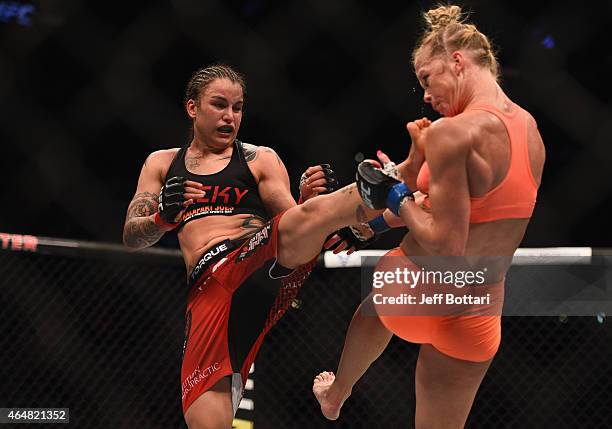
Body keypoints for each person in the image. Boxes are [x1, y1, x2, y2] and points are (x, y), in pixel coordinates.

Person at [122, 64, 393, 429]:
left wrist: (313, 205)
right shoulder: (162, 163)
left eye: (237, 107)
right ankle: (356, 209)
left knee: (305, 218)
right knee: (203, 420)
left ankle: (387, 187)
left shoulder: (259, 159)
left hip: (257, 258)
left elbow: (292, 221)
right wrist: (162, 218)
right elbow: (132, 236)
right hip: (208, 291)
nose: (230, 116)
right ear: (192, 108)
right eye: (219, 105)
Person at [312, 5, 546, 428]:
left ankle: (336, 393)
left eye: (426, 78)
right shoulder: (530, 131)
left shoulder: (451, 132)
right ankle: (336, 394)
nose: (424, 94)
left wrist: (393, 193)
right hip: (479, 307)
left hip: (415, 288)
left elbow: (445, 243)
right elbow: (466, 213)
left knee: (371, 309)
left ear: (457, 62)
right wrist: (382, 220)